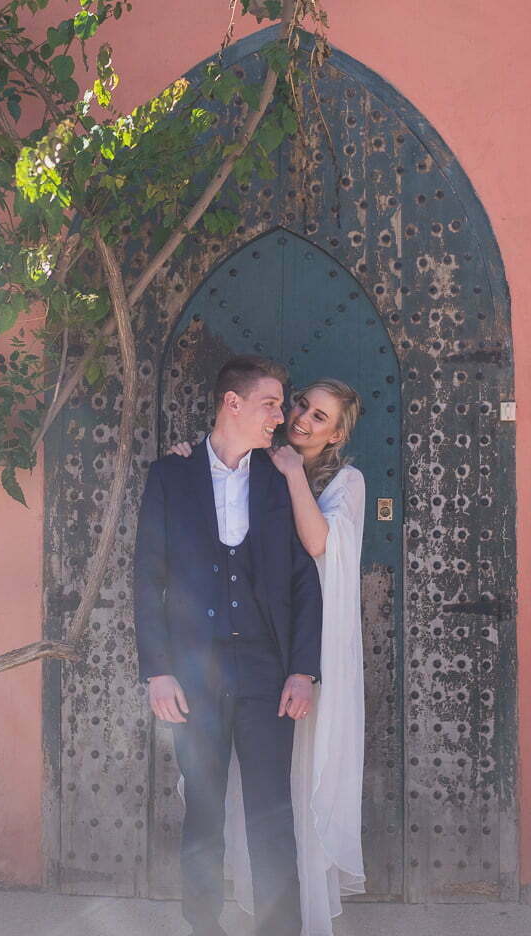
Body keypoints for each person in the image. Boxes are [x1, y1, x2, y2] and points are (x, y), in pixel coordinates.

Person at [134, 355, 324, 936]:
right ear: (231, 404)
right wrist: (157, 670)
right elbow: (148, 575)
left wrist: (303, 669)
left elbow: (302, 580)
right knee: (203, 811)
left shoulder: (279, 478)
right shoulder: (170, 475)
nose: (281, 415)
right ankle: (203, 926)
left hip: (267, 668)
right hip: (194, 669)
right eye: (271, 402)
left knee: (272, 811)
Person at [170, 377, 366, 936]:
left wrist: (290, 473)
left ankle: (295, 920)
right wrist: (192, 459)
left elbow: (317, 543)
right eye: (301, 404)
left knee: (299, 783)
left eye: (319, 417)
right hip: (262, 645)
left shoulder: (342, 480)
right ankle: (252, 911)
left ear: (335, 435)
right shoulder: (253, 464)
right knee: (254, 792)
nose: (302, 418)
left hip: (317, 640)